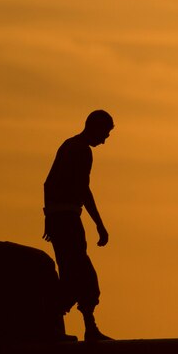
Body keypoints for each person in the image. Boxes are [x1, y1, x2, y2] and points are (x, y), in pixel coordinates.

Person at [43, 110, 115, 341]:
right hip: (68, 220)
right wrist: (100, 225)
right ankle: (78, 328)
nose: (104, 140)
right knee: (82, 275)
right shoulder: (81, 150)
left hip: (60, 218)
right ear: (94, 127)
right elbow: (83, 190)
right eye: (105, 133)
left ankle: (78, 327)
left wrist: (50, 217)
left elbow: (48, 183)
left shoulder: (68, 146)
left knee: (72, 273)